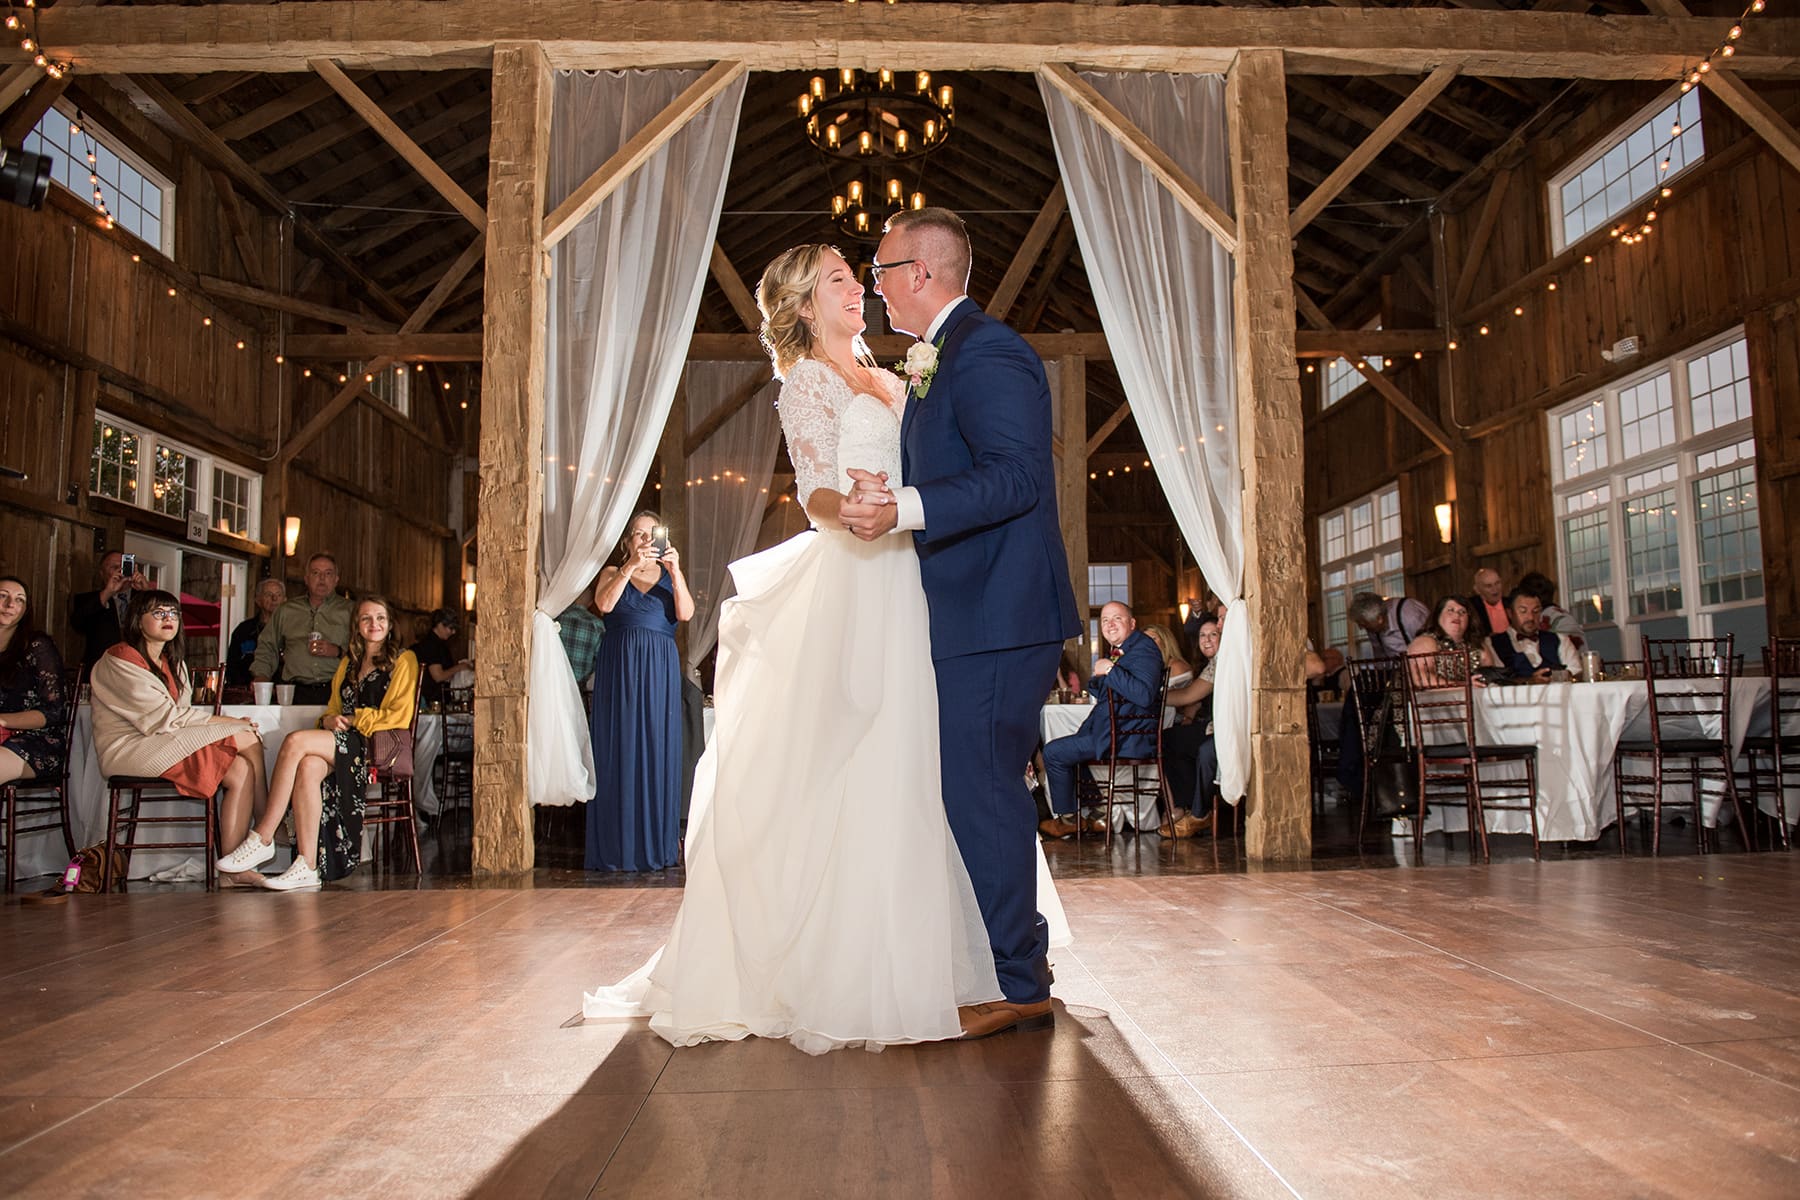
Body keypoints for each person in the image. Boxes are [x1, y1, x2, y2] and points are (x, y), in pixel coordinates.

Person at [585, 241, 1069, 1054]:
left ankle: (952, 957)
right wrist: (844, 506)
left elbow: (959, 471)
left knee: (929, 772)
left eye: (863, 275)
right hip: (859, 578)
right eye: (843, 281)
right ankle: (855, 961)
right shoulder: (808, 381)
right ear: (805, 307)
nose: (860, 292)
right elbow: (812, 483)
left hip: (917, 588)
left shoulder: (899, 377)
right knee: (859, 763)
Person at [846, 207, 1083, 1039]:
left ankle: (1022, 983)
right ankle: (1010, 967)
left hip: (999, 609)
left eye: (879, 272)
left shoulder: (989, 352)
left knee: (980, 788)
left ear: (921, 274)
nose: (873, 289)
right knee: (976, 787)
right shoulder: (938, 361)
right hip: (973, 609)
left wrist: (906, 506)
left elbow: (1016, 478)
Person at [218, 596, 419, 891]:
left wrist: (351, 720)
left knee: (295, 741)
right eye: (366, 618)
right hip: (344, 740)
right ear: (357, 625)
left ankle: (263, 835)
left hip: (374, 745)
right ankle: (308, 865)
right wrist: (327, 722)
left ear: (390, 624)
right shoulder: (348, 663)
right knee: (309, 766)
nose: (373, 624)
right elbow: (332, 709)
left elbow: (399, 715)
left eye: (380, 618)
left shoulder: (403, 659)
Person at [89, 590, 268, 885]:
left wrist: (227, 724)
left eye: (173, 613)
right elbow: (166, 718)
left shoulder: (174, 662)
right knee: (247, 736)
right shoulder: (119, 659)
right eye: (158, 613)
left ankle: (232, 869)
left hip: (159, 740)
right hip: (129, 748)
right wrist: (228, 722)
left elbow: (179, 717)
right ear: (137, 619)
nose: (168, 619)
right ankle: (266, 827)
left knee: (240, 769)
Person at [585, 510, 694, 873]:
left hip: (660, 669)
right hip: (620, 668)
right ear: (627, 541)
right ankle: (618, 845)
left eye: (652, 534)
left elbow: (686, 614)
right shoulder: (611, 574)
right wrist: (630, 567)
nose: (646, 541)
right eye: (638, 535)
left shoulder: (669, 574)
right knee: (621, 746)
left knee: (657, 747)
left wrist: (676, 572)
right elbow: (604, 605)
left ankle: (658, 845)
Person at [1039, 602, 1161, 839]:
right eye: (1105, 620)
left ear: (1132, 623)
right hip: (1113, 732)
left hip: (1124, 737)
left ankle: (1068, 819)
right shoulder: (1126, 649)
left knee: (1053, 752)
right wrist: (1101, 675)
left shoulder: (1144, 650)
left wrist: (1111, 671)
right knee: (1072, 747)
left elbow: (1144, 696)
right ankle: (1097, 815)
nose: (1110, 624)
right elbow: (1108, 692)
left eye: (1117, 618)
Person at [250, 553, 353, 704]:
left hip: (338, 691)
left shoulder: (352, 611)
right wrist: (261, 676)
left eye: (328, 573)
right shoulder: (286, 610)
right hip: (294, 692)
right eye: (316, 573)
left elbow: (365, 651)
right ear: (306, 578)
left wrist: (338, 651)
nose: (322, 578)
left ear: (336, 579)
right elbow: (267, 646)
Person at [0, 575, 69, 789]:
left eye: (20, 599)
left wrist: (2, 721)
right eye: (2, 596)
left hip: (35, 740)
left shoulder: (37, 645)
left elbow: (55, 711)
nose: (10, 604)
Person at [70, 550, 147, 671]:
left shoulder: (143, 597)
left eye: (123, 566)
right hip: (101, 669)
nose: (120, 570)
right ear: (102, 573)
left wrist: (146, 591)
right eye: (114, 567)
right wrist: (108, 593)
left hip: (137, 667)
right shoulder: (89, 599)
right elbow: (78, 623)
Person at [1406, 595, 1502, 687]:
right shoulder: (1425, 641)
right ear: (1438, 616)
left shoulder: (1477, 645)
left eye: (1462, 612)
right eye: (1450, 610)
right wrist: (1463, 685)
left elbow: (1491, 677)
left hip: (1474, 699)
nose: (1457, 615)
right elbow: (1421, 679)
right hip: (1431, 701)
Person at [1490, 590, 1578, 683]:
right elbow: (1495, 681)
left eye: (1536, 611)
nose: (1531, 617)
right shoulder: (1493, 644)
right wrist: (1528, 681)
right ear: (1510, 613)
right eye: (1523, 611)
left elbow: (1576, 672)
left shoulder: (1560, 640)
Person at [224, 578, 286, 688]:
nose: (274, 598)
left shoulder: (292, 630)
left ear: (285, 600)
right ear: (258, 599)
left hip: (283, 693)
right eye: (268, 594)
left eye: (278, 595)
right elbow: (232, 667)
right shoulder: (243, 630)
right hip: (247, 694)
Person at [410, 607, 471, 709]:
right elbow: (438, 676)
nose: (453, 632)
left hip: (437, 699)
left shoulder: (438, 644)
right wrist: (460, 667)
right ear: (440, 625)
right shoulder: (432, 645)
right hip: (432, 700)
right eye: (451, 628)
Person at [1350, 591, 1432, 658]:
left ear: (1379, 619)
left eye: (1364, 624)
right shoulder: (1373, 628)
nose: (1361, 628)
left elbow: (1430, 645)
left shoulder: (1409, 615)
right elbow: (1380, 656)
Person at [556, 596, 605, 694]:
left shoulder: (555, 618)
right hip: (578, 689)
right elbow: (600, 663)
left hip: (553, 683)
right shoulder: (597, 626)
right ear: (590, 602)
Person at [1470, 568, 1508, 643]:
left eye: (1497, 583)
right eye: (1489, 586)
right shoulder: (1472, 608)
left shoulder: (1511, 603)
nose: (1495, 589)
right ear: (1477, 590)